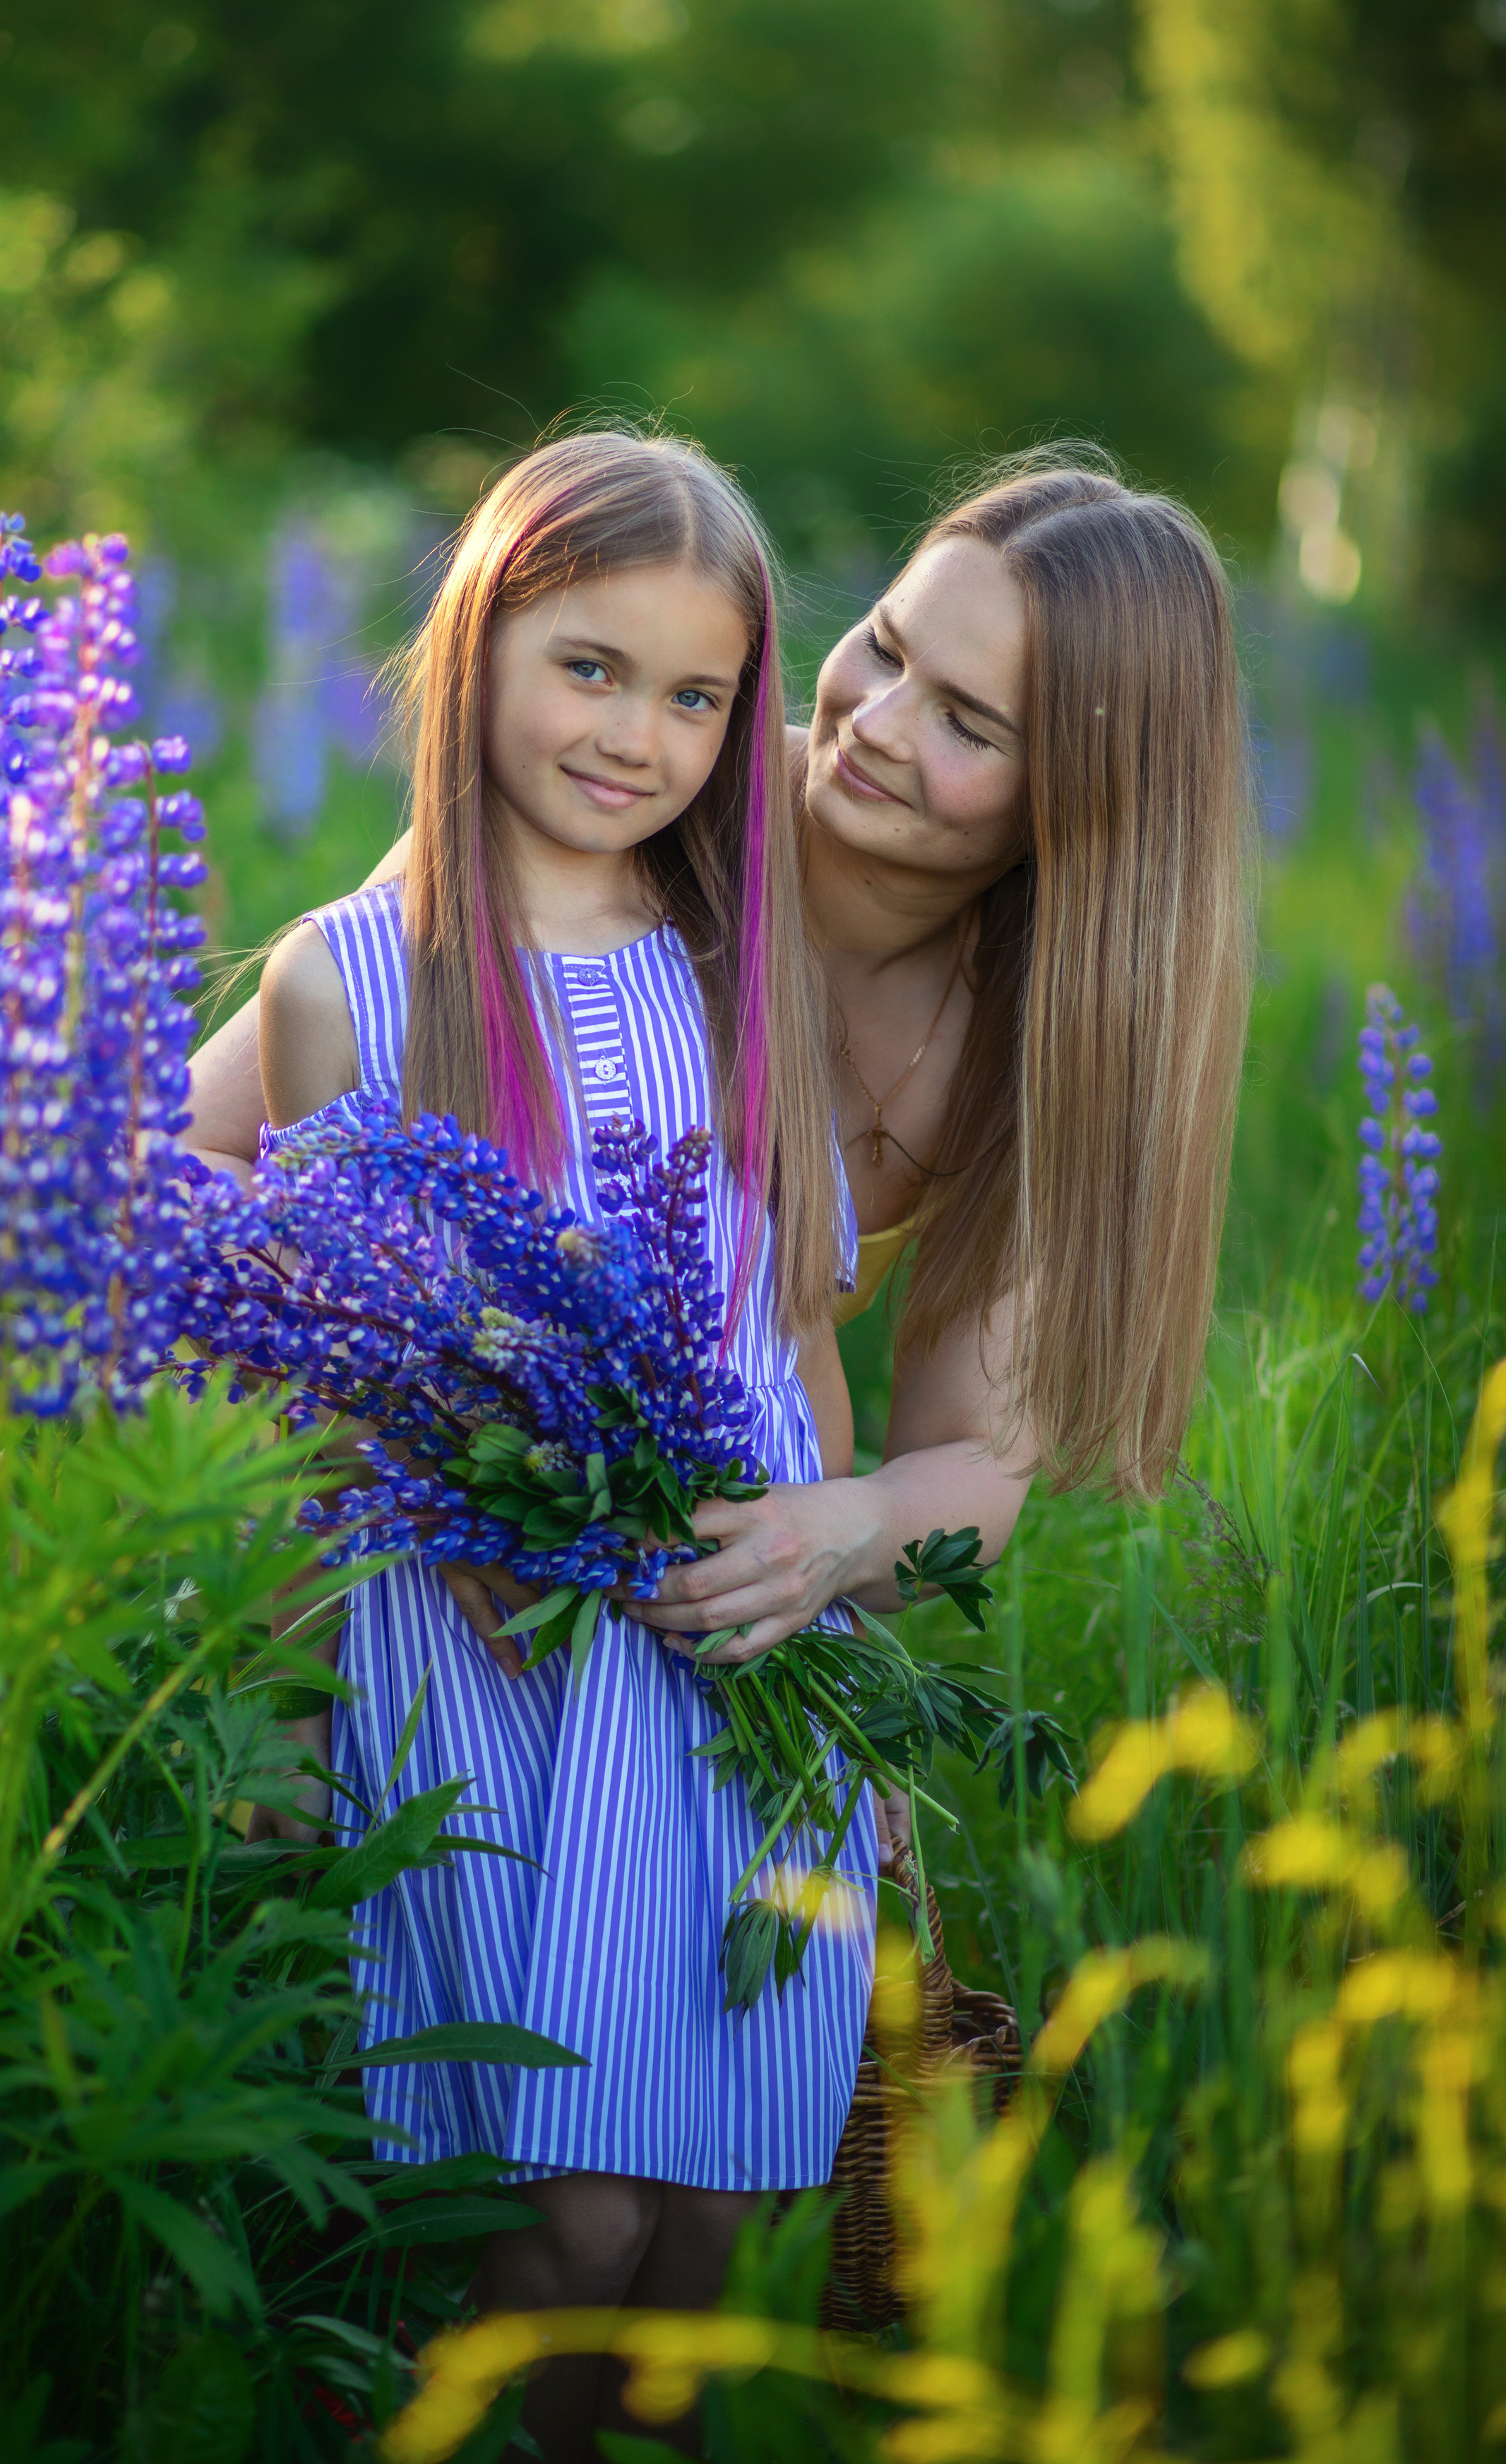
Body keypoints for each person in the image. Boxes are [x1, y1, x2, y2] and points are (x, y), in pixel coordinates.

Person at [189, 450, 1253, 1674]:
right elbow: (197, 1152)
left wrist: (840, 1548)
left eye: (967, 722)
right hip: (437, 1566)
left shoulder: (1042, 1036)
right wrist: (426, 1406)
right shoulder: (622, 818)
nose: (878, 724)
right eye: (888, 648)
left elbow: (966, 1458)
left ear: (1083, 802)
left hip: (683, 1604)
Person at [243, 429, 874, 2463]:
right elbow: (292, 1390)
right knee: (559, 2209)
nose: (642, 735)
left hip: (740, 1654)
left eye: (698, 698)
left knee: (706, 2216)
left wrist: (841, 1572)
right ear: (478, 642)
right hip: (487, 1657)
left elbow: (799, 1357)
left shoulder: (738, 967)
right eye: (591, 667)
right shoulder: (350, 978)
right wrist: (277, 1713)